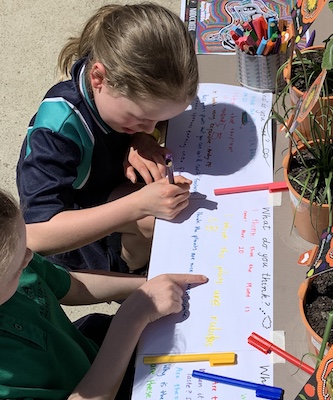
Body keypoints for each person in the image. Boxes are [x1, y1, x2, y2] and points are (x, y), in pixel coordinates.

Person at [16, 3, 199, 272]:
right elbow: (37, 235)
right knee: (156, 218)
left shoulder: (123, 97)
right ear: (98, 78)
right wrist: (137, 205)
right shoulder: (57, 131)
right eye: (141, 119)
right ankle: (125, 275)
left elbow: (149, 121)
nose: (151, 127)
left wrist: (141, 137)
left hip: (105, 185)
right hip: (75, 232)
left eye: (156, 121)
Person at [0, 189, 209, 399]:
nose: (29, 255)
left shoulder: (14, 256)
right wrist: (130, 320)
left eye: (24, 242)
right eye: (17, 267)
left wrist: (149, 284)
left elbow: (75, 286)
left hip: (96, 350)